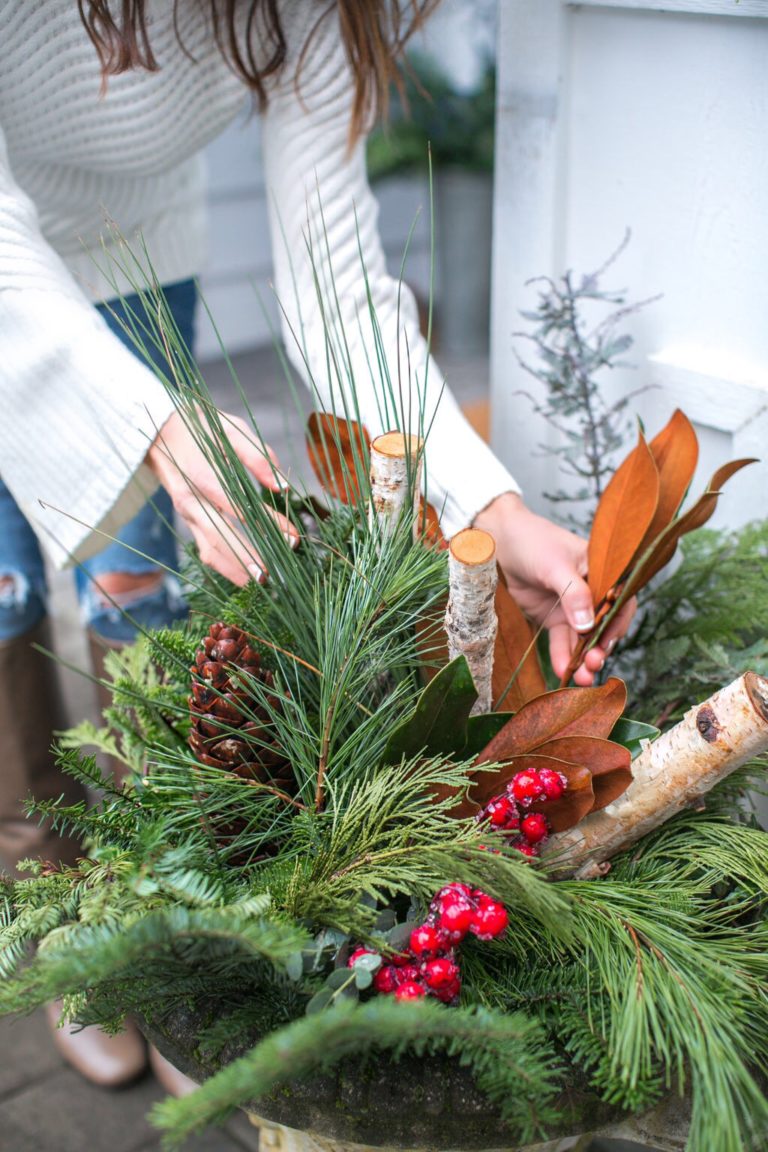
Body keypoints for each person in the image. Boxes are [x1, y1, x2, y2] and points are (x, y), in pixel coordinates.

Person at [0, 0, 632, 1089]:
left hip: (132, 253)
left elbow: (335, 276)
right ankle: (53, 910)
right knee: (6, 592)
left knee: (134, 592)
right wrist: (139, 418)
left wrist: (490, 506)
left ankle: (133, 910)